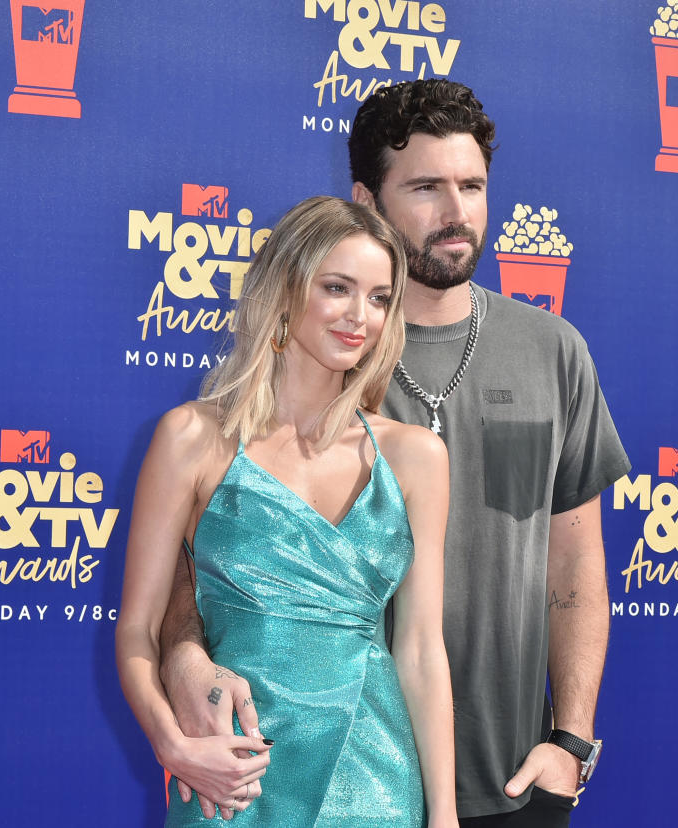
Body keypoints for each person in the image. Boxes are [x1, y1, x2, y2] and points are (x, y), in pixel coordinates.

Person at [160, 80, 630, 826]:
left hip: (512, 777)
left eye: (472, 185)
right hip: (325, 777)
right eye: (426, 187)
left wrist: (569, 739)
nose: (457, 212)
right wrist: (184, 658)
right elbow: (200, 558)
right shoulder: (316, 368)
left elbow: (576, 563)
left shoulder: (554, 353)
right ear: (367, 200)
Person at [117, 195, 459, 827]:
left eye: (381, 298)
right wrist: (173, 746)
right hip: (230, 768)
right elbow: (137, 630)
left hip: (374, 776)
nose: (361, 316)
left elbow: (418, 648)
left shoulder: (416, 457)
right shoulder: (190, 439)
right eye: (338, 288)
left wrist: (444, 815)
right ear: (285, 288)